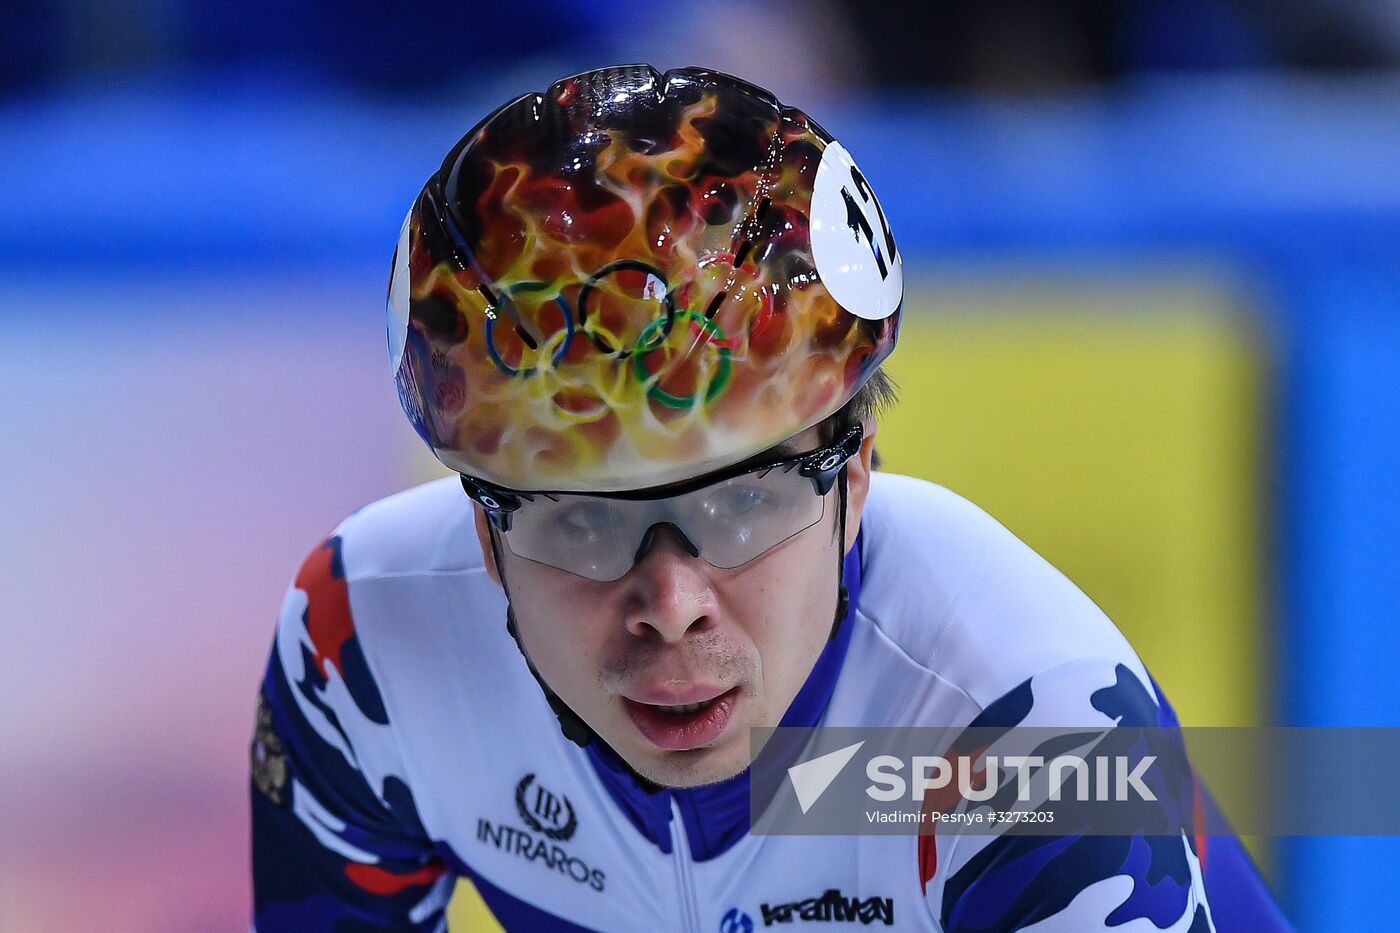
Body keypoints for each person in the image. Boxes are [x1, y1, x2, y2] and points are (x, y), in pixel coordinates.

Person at [250, 65, 1290, 931]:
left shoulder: (1025, 739)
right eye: (582, 518)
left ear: (859, 473)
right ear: (484, 533)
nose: (670, 601)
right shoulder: (367, 650)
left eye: (740, 503)